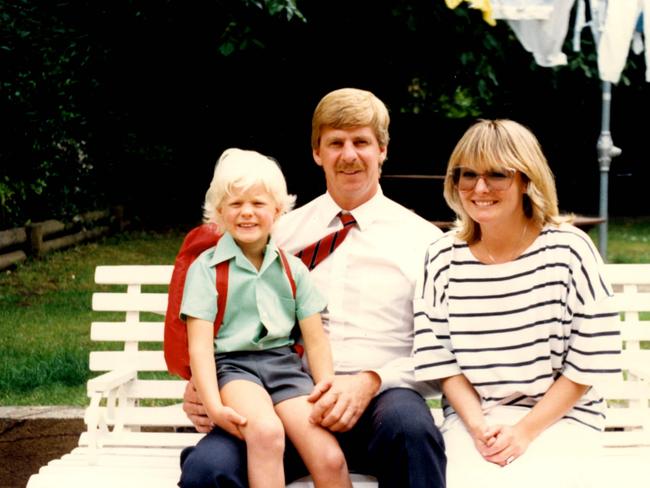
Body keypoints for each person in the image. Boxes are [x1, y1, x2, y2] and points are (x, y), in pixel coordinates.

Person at [179, 88, 447, 487]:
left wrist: (371, 380)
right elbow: (224, 308)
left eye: (361, 142)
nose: (349, 155)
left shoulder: (423, 242)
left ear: (383, 150)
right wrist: (201, 386)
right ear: (317, 152)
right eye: (335, 143)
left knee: (412, 431)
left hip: (381, 403)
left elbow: (439, 349)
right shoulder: (278, 233)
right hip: (282, 400)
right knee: (208, 470)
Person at [413, 119, 622, 487]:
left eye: (497, 174)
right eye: (468, 175)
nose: (480, 188)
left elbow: (588, 362)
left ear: (526, 180)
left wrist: (524, 431)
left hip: (564, 420)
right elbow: (442, 362)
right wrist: (479, 428)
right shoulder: (441, 257)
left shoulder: (569, 250)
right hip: (477, 421)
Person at [180, 147, 352, 488]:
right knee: (266, 431)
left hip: (285, 369)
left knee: (330, 458)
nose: (247, 213)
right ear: (218, 211)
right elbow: (199, 348)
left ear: (277, 210)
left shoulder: (292, 269)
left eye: (258, 204)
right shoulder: (206, 270)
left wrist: (326, 386)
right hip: (235, 368)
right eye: (236, 204)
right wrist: (213, 405)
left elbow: (315, 340)